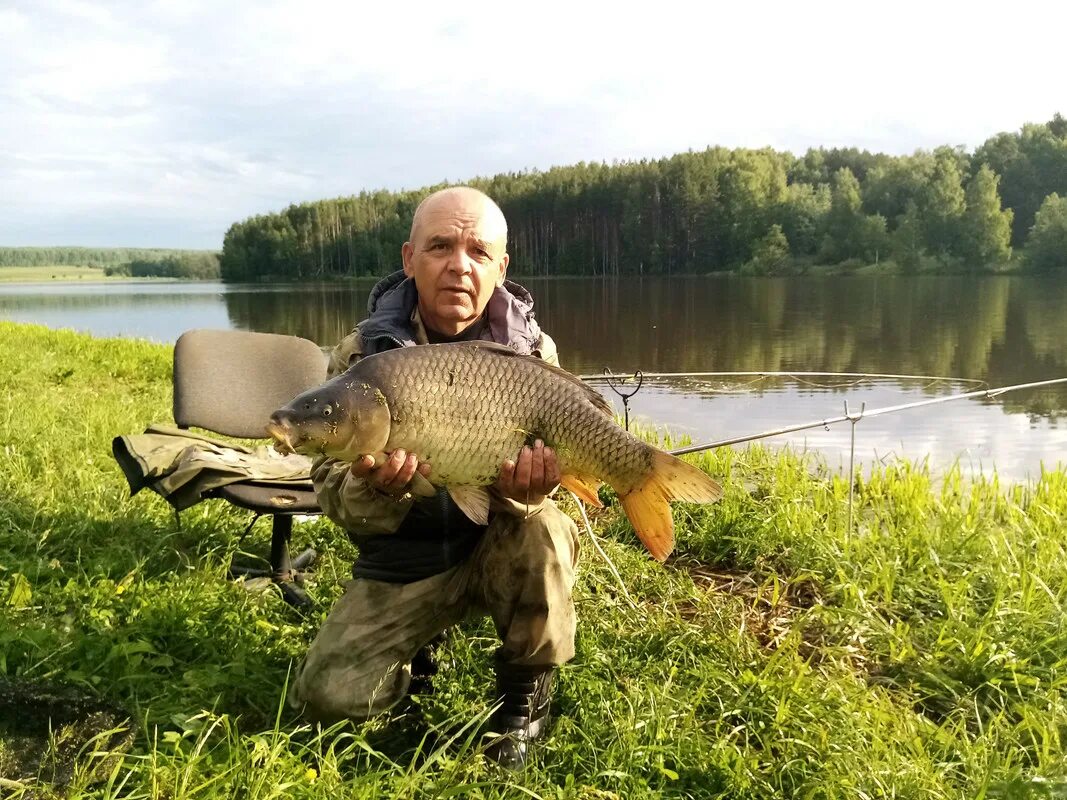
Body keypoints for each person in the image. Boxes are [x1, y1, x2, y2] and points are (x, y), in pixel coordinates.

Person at [287, 186, 580, 768]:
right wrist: (374, 489)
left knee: (544, 527)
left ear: (501, 266)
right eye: (440, 246)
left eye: (477, 251)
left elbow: (543, 480)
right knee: (325, 700)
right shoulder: (363, 356)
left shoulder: (532, 351)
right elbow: (328, 492)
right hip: (406, 557)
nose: (459, 266)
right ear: (408, 257)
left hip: (497, 539)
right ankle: (415, 652)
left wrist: (528, 494)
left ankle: (525, 697)